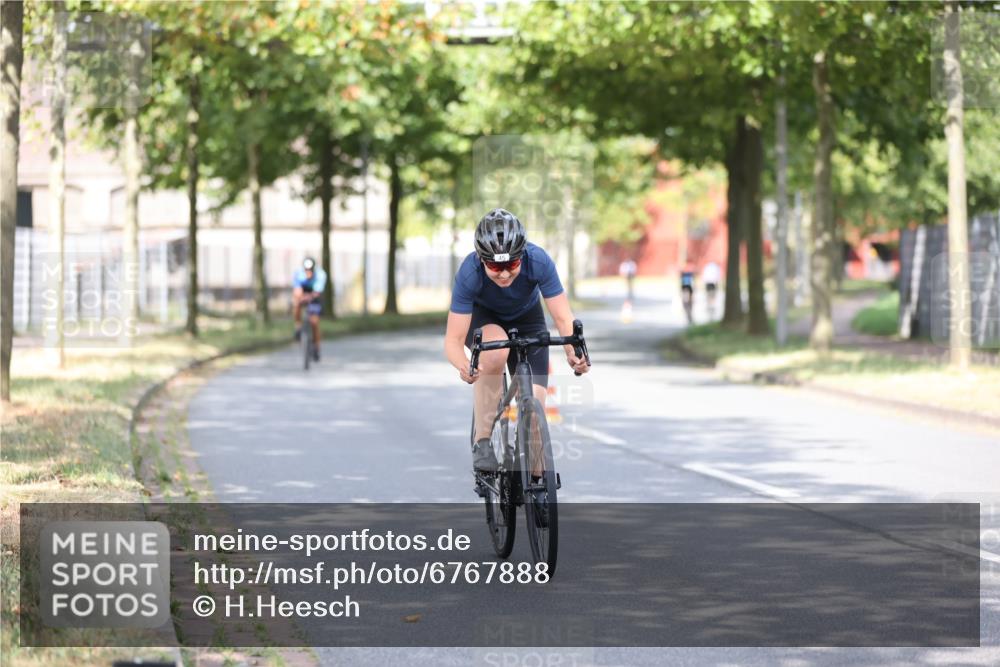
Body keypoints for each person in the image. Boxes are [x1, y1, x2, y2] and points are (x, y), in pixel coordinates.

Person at [444, 208, 590, 473]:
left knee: (535, 413)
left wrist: (574, 352)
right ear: (482, 260)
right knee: (495, 349)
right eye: (494, 267)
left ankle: (534, 481)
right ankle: (482, 441)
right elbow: (453, 340)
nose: (503, 274)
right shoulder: (469, 272)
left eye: (511, 265)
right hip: (484, 319)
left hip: (527, 319)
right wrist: (464, 365)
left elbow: (562, 317)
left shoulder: (538, 261)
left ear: (522, 256)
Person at [292, 257, 327, 361]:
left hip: (314, 295)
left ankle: (316, 347)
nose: (308, 272)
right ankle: (298, 327)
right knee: (296, 304)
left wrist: (310, 297)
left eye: (310, 270)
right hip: (303, 293)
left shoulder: (320, 275)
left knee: (315, 322)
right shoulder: (298, 274)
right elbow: (297, 290)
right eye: (306, 270)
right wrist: (300, 297)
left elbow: (317, 292)